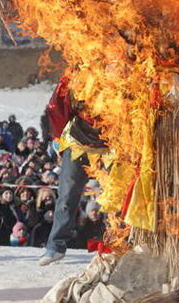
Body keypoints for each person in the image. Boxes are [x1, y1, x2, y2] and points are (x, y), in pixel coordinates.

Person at [38, 74, 105, 265]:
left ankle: (117, 245)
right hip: (78, 142)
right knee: (67, 195)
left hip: (110, 143)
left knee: (117, 197)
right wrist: (58, 138)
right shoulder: (75, 76)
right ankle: (55, 246)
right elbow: (57, 107)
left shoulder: (118, 72)